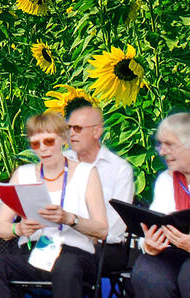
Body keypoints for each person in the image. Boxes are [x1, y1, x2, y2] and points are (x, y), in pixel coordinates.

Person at [0, 112, 108, 298]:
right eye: (35, 144)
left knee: (66, 265)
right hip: (33, 253)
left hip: (73, 253)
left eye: (48, 141)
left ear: (63, 139)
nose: (42, 149)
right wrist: (19, 228)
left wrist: (69, 219)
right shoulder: (23, 174)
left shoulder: (86, 173)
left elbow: (102, 229)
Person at [131, 112, 190, 296]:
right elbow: (155, 220)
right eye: (161, 145)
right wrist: (148, 243)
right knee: (147, 270)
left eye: (170, 145)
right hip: (175, 252)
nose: (162, 152)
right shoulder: (165, 180)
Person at [65, 103, 134, 274]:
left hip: (104, 247)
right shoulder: (60, 162)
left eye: (78, 128)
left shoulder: (119, 169)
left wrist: (82, 230)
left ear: (97, 131)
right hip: (61, 241)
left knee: (67, 261)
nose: (71, 133)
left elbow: (115, 227)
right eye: (69, 128)